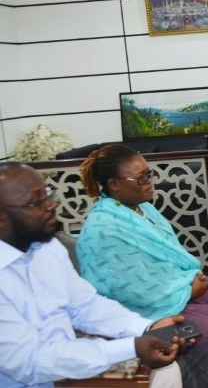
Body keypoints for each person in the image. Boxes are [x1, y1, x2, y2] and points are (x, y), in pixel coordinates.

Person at [76, 144, 208, 388]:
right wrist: (187, 290)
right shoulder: (102, 230)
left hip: (172, 295)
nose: (149, 182)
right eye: (140, 178)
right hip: (146, 315)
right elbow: (126, 291)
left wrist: (188, 281)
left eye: (149, 174)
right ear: (114, 184)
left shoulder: (143, 209)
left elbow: (167, 260)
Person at [0, 163, 184, 388]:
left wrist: (146, 329)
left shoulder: (46, 247)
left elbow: (85, 305)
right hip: (32, 378)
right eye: (37, 202)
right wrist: (133, 347)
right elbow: (30, 361)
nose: (51, 205)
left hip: (65, 366)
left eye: (48, 193)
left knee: (165, 370)